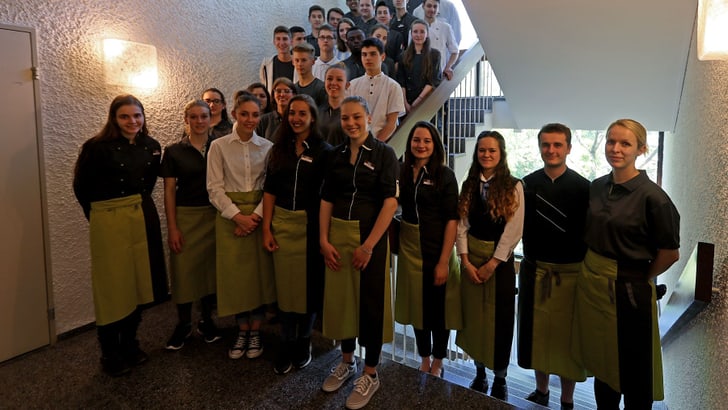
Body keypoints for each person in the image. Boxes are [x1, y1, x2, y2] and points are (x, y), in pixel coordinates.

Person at [572, 119, 680, 409]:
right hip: (593, 283)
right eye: (611, 141)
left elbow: (670, 253)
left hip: (629, 289)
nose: (615, 149)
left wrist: (642, 276)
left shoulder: (654, 199)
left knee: (634, 369)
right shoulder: (596, 187)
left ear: (641, 149)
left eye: (625, 143)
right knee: (603, 361)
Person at [73, 94, 168, 376]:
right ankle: (109, 351)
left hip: (141, 214)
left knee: (139, 281)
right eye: (124, 116)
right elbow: (82, 188)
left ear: (143, 117)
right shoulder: (95, 148)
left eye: (137, 116)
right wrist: (101, 218)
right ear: (114, 118)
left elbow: (148, 184)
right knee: (112, 286)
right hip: (108, 219)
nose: (132, 121)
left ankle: (130, 342)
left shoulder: (151, 146)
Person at [319, 96, 399, 410]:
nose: (351, 123)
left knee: (370, 303)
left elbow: (390, 203)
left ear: (368, 116)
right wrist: (324, 241)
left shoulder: (384, 154)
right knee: (343, 301)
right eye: (346, 118)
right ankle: (347, 362)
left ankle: (370, 373)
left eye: (357, 117)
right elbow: (326, 198)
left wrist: (368, 246)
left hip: (370, 238)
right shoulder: (335, 155)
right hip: (337, 235)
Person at [516, 123, 589, 409]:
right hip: (535, 270)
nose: (552, 150)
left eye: (558, 145)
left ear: (569, 148)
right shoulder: (526, 183)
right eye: (546, 144)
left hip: (571, 273)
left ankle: (567, 399)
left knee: (566, 340)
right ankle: (541, 390)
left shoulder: (585, 187)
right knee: (538, 334)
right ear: (540, 147)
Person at [263, 94, 332, 375]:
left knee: (309, 289)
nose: (296, 118)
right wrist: (266, 227)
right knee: (285, 288)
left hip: (310, 227)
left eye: (303, 113)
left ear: (312, 117)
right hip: (281, 225)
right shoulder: (278, 149)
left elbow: (328, 197)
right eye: (293, 113)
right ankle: (286, 340)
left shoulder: (324, 151)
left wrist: (324, 235)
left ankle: (304, 341)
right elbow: (269, 191)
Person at [455, 130, 524, 400]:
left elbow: (513, 230)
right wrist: (465, 261)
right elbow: (462, 225)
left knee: (500, 321)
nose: (486, 154)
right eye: (482, 150)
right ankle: (480, 372)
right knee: (473, 319)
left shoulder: (514, 185)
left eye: (492, 150)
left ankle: (500, 378)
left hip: (500, 264)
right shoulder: (469, 184)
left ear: (501, 154)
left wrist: (492, 263)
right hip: (471, 259)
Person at [207, 93, 275, 361]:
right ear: (234, 114)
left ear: (260, 117)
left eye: (255, 114)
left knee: (257, 277)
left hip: (259, 215)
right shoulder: (219, 146)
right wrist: (237, 217)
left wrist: (255, 218)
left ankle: (255, 330)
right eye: (244, 113)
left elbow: (270, 186)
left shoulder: (268, 147)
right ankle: (241, 330)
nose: (250, 119)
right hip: (229, 218)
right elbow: (214, 188)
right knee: (235, 277)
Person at [395, 121, 461, 378]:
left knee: (438, 308)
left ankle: (438, 358)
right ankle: (423, 356)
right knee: (417, 307)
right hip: (410, 247)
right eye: (416, 140)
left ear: (435, 145)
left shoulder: (445, 175)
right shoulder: (403, 170)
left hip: (437, 250)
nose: (420, 145)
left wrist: (444, 261)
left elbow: (452, 219)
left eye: (426, 141)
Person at [161, 100, 222, 350]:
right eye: (194, 117)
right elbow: (169, 192)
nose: (199, 122)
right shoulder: (174, 150)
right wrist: (173, 227)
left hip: (214, 214)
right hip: (186, 216)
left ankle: (207, 321)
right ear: (186, 119)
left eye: (204, 116)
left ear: (211, 118)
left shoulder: (219, 147)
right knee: (184, 272)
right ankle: (184, 324)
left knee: (209, 272)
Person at [347, 37, 405, 142]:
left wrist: (375, 145)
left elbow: (391, 123)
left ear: (382, 57)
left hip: (382, 145)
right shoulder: (353, 85)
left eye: (373, 54)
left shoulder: (393, 86)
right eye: (364, 54)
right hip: (355, 143)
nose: (368, 58)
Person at [397, 19, 442, 114]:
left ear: (427, 34)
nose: (418, 35)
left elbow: (433, 80)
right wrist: (405, 103)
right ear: (411, 34)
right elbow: (401, 82)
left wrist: (418, 100)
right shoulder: (403, 56)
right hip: (407, 101)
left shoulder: (435, 55)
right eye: (415, 32)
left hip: (427, 100)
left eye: (422, 32)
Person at [421, 0, 458, 80]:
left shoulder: (445, 27)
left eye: (435, 7)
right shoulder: (416, 28)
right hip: (420, 73)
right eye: (429, 6)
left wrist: (448, 67)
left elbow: (455, 51)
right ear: (423, 6)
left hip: (439, 73)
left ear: (438, 9)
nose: (432, 9)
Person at [259, 26, 298, 93]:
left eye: (285, 39)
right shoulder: (266, 64)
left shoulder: (299, 63)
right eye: (278, 39)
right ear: (274, 42)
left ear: (291, 41)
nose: (281, 43)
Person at [257, 77, 297, 142]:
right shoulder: (263, 120)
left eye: (287, 91)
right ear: (273, 95)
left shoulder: (297, 119)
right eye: (278, 91)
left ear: (294, 95)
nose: (282, 94)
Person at [318, 63, 349, 146]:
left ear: (347, 85)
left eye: (339, 80)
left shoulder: (352, 113)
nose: (333, 83)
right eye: (329, 79)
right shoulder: (318, 112)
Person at [293, 42, 327, 106]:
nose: (300, 64)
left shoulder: (321, 88)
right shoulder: (292, 89)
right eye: (297, 60)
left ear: (313, 61)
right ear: (293, 62)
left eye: (304, 60)